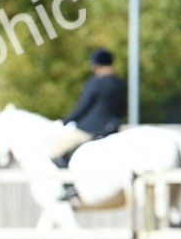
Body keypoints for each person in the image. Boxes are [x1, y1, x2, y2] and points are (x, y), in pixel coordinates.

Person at [50, 47, 126, 201]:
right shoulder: (120, 83)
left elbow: (83, 107)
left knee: (54, 151)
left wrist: (64, 121)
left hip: (89, 129)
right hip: (112, 129)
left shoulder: (95, 82)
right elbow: (122, 108)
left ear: (96, 65)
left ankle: (70, 187)